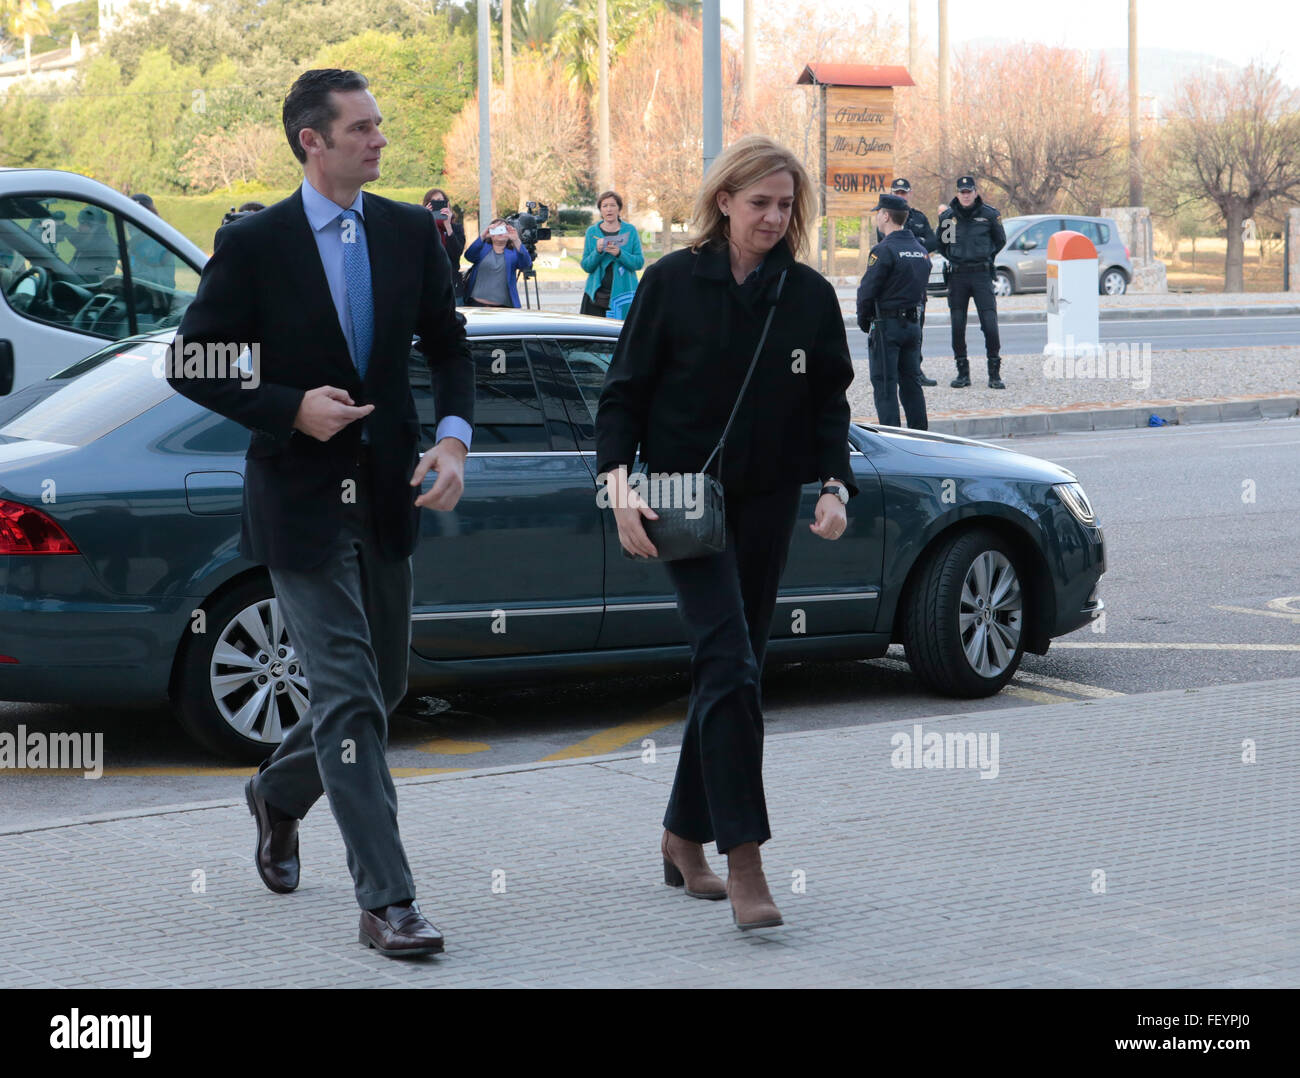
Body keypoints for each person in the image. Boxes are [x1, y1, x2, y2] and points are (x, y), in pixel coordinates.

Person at [167, 68, 474, 958]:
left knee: (383, 688)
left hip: (386, 494)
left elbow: (450, 348)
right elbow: (193, 364)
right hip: (298, 501)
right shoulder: (257, 244)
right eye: (362, 128)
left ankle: (277, 793)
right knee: (347, 697)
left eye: (380, 125)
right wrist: (289, 404)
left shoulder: (410, 230)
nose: (380, 140)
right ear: (314, 140)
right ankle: (388, 901)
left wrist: (452, 440)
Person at [596, 134, 857, 932]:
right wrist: (617, 488)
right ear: (723, 202)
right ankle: (746, 859)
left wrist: (835, 486)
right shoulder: (672, 282)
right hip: (680, 500)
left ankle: (681, 835)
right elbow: (624, 394)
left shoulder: (807, 296)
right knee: (733, 663)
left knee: (729, 671)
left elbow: (830, 405)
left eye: (786, 205)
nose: (774, 217)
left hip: (768, 500)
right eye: (760, 203)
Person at [858, 193, 932, 430]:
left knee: (885, 385)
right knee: (912, 384)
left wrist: (864, 321)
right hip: (912, 326)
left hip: (886, 327)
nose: (877, 218)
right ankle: (920, 435)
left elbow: (867, 291)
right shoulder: (920, 251)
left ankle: (892, 437)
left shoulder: (883, 250)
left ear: (886, 216)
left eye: (879, 213)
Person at [937, 174, 1006, 389]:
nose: (965, 196)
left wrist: (985, 256)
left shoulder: (989, 215)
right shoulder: (949, 217)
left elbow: (1000, 240)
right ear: (958, 193)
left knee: (990, 324)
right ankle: (962, 373)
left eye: (969, 192)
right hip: (958, 276)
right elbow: (942, 245)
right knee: (958, 326)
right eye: (962, 192)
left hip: (981, 276)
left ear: (975, 192)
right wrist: (956, 259)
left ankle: (994, 374)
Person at [875, 178, 938, 386]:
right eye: (897, 192)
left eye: (903, 193)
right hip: (896, 282)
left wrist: (917, 244)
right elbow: (884, 244)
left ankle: (915, 370)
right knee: (893, 330)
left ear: (909, 194)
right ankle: (893, 372)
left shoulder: (918, 217)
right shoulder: (885, 217)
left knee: (917, 329)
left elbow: (932, 241)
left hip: (916, 282)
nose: (900, 196)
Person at [580, 190, 644, 318]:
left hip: (624, 294)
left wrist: (620, 253)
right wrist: (597, 252)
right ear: (600, 210)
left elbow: (639, 263)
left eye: (613, 205)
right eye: (605, 206)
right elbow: (586, 266)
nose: (609, 209)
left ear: (619, 209)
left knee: (622, 334)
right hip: (596, 297)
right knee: (594, 335)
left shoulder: (630, 230)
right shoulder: (592, 232)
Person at [462, 218, 532, 307]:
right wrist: (483, 236)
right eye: (496, 229)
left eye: (503, 229)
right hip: (476, 304)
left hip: (503, 307)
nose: (500, 232)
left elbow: (526, 264)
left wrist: (516, 240)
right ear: (491, 234)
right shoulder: (482, 248)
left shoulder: (514, 253)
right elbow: (469, 256)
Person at [422, 187, 465, 299]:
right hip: (429, 282)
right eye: (433, 201)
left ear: (447, 204)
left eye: (440, 200)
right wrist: (425, 218)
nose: (437, 203)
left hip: (452, 283)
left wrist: (448, 225)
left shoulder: (456, 228)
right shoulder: (421, 226)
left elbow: (456, 253)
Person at [127, 193, 176, 289]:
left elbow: (153, 273)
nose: (128, 223)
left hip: (157, 294)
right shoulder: (135, 241)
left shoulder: (157, 240)